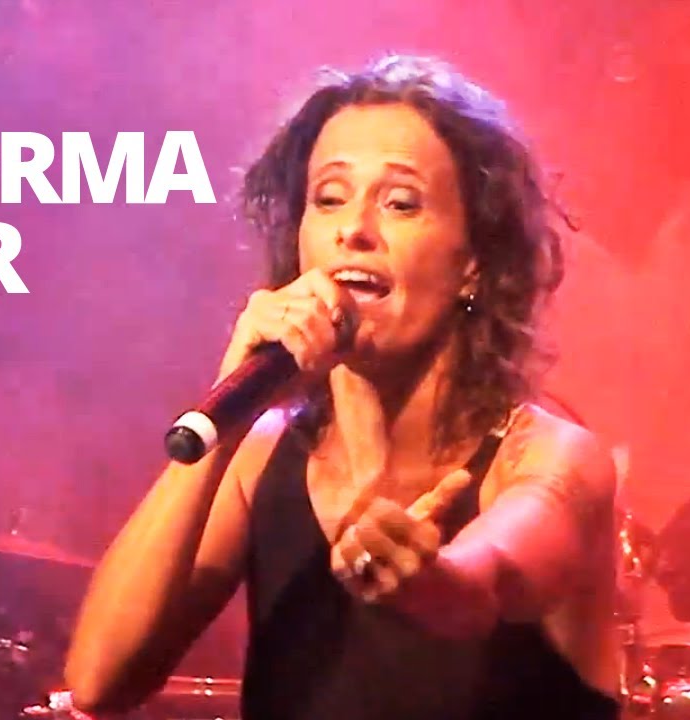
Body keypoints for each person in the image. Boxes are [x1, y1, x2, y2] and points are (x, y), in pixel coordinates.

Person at [64, 54, 620, 719]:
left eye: (400, 203)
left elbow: (486, 584)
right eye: (328, 199)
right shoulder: (263, 456)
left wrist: (424, 581)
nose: (352, 230)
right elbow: (100, 681)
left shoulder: (550, 456)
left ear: (473, 263)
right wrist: (232, 398)